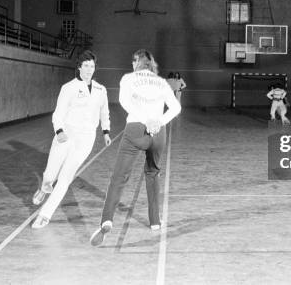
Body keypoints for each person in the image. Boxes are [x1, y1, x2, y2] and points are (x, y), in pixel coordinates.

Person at [90, 49, 181, 246]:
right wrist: (158, 122)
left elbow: (124, 101)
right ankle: (155, 222)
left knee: (119, 178)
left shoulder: (128, 78)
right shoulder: (162, 82)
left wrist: (145, 120)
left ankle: (106, 220)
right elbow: (176, 107)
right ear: (151, 64)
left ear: (136, 63)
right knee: (152, 173)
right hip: (159, 134)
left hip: (135, 131)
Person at [31, 50, 112, 229]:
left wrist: (106, 132)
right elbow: (58, 113)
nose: (89, 69)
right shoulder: (68, 88)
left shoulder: (101, 90)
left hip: (86, 138)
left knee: (65, 177)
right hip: (66, 134)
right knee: (50, 174)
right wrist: (59, 131)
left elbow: (104, 112)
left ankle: (45, 214)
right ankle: (44, 187)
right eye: (86, 65)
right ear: (79, 67)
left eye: (92, 66)